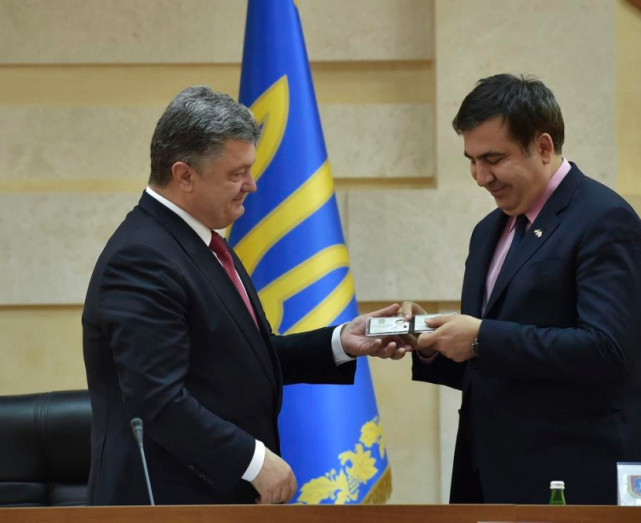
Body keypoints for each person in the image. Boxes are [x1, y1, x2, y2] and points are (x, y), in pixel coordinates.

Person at [82, 86, 407, 506]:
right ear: (184, 175)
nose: (252, 186)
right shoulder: (142, 257)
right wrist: (254, 462)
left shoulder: (200, 241)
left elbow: (241, 358)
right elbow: (157, 401)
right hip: (170, 505)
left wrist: (341, 342)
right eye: (237, 174)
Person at [401, 74, 641, 505]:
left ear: (543, 147)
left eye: (493, 159)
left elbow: (608, 351)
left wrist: (481, 338)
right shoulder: (487, 231)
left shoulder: (605, 220)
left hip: (578, 484)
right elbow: (492, 365)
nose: (480, 176)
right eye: (471, 160)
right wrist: (430, 343)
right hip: (489, 479)